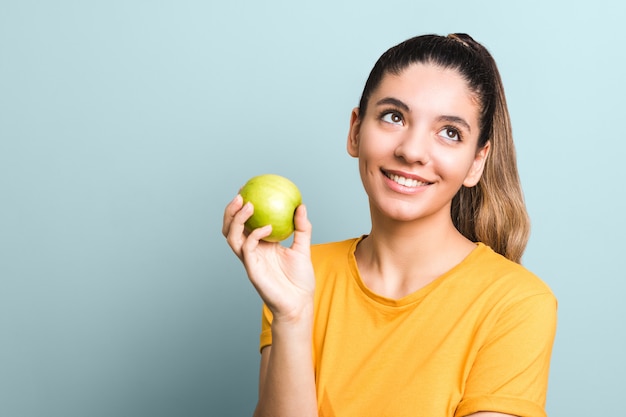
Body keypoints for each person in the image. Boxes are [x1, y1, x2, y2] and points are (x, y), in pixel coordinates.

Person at [222, 33, 557, 417]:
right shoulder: (300, 279)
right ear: (355, 131)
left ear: (477, 162)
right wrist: (292, 316)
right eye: (394, 116)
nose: (411, 151)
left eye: (450, 132)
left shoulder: (516, 304)